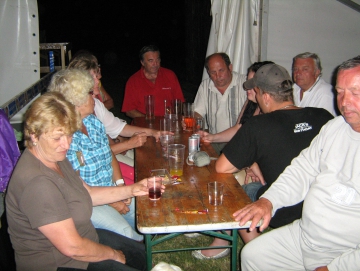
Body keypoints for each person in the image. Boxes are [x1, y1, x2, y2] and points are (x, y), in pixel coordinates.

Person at [192, 64, 333, 260]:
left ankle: (257, 249)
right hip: (324, 206)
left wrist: (250, 160)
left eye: (257, 93)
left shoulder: (258, 125)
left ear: (266, 96)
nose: (256, 97)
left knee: (233, 188)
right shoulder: (323, 116)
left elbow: (222, 167)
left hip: (284, 208)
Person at [237, 56, 360, 271]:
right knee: (253, 255)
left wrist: (336, 268)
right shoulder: (335, 127)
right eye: (340, 92)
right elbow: (302, 170)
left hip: (342, 252)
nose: (344, 101)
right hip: (305, 234)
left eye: (355, 92)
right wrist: (268, 201)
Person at [5, 92, 149, 271]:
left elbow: (87, 192)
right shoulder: (38, 183)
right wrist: (112, 254)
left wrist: (132, 190)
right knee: (129, 260)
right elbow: (73, 248)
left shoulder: (55, 158)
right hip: (62, 263)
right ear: (34, 135)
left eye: (69, 135)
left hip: (86, 239)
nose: (66, 145)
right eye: (57, 138)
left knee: (144, 256)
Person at [49, 69, 143, 241]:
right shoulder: (63, 139)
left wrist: (120, 186)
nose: (94, 97)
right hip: (86, 201)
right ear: (75, 102)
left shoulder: (92, 122)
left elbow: (109, 155)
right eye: (89, 94)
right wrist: (113, 201)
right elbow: (76, 189)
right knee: (126, 234)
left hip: (110, 189)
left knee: (144, 213)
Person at [68, 56, 160, 167]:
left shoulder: (95, 105)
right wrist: (127, 144)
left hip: (109, 154)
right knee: (141, 167)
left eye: (97, 75)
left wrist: (152, 132)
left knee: (147, 160)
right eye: (94, 76)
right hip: (98, 165)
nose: (99, 79)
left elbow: (119, 128)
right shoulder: (72, 113)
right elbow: (89, 157)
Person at [198, 61, 273, 144]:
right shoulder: (251, 102)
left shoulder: (272, 111)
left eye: (252, 83)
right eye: (247, 81)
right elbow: (237, 129)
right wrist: (211, 137)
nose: (246, 86)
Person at [193, 53, 248, 154]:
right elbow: (197, 112)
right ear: (208, 72)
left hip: (239, 142)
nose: (218, 76)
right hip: (213, 141)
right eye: (213, 72)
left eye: (221, 70)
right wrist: (194, 123)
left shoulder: (244, 83)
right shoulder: (205, 85)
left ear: (230, 68)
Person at [122, 45, 185, 118]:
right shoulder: (133, 81)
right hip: (144, 125)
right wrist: (149, 120)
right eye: (150, 61)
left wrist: (176, 117)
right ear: (142, 62)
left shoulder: (170, 75)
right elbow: (129, 111)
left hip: (168, 122)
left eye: (157, 60)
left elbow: (179, 102)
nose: (155, 64)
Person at [292, 52, 337, 116]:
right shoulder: (294, 88)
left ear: (316, 72)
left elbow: (323, 124)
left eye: (305, 69)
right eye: (295, 69)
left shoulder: (325, 94)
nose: (298, 73)